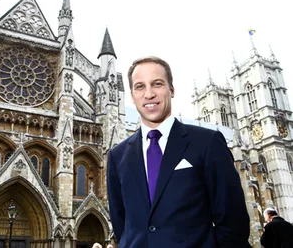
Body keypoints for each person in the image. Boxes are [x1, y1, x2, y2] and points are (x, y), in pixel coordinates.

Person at [106, 56, 250, 247]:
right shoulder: (117, 155)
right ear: (131, 95)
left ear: (171, 90)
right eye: (140, 86)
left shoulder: (207, 143)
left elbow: (233, 222)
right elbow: (122, 225)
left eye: (157, 84)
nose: (149, 94)